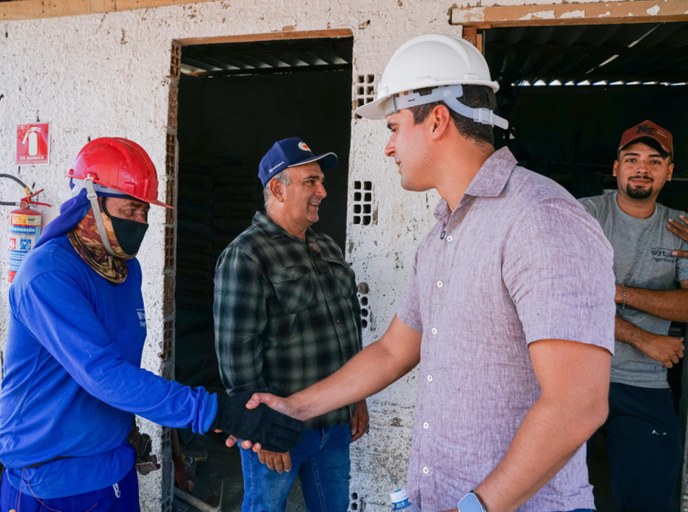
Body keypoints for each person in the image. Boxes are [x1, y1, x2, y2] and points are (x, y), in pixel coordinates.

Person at [243, 35, 616, 511]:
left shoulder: (540, 219)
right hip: (438, 497)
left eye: (395, 127)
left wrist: (478, 506)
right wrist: (294, 408)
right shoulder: (442, 233)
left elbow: (576, 404)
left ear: (437, 119)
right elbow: (394, 350)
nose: (389, 147)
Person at [0, 137, 302, 512]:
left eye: (145, 212)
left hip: (114, 466)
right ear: (90, 202)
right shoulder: (48, 274)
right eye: (130, 210)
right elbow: (102, 373)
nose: (141, 222)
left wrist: (127, 431)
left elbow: (122, 368)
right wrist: (217, 411)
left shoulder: (125, 270)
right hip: (52, 480)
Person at [213, 137, 369, 512]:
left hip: (333, 425)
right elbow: (237, 356)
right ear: (277, 188)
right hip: (279, 429)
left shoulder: (326, 248)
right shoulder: (246, 255)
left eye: (321, 182)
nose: (322, 191)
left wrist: (358, 395)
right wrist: (262, 430)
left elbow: (347, 327)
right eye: (311, 181)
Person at [579, 120, 688, 511]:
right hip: (573, 376)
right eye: (632, 159)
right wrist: (645, 338)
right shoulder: (584, 216)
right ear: (616, 168)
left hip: (644, 382)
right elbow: (568, 303)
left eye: (654, 161)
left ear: (669, 172)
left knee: (653, 495)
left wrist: (616, 292)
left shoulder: (681, 227)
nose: (642, 168)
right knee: (546, 493)